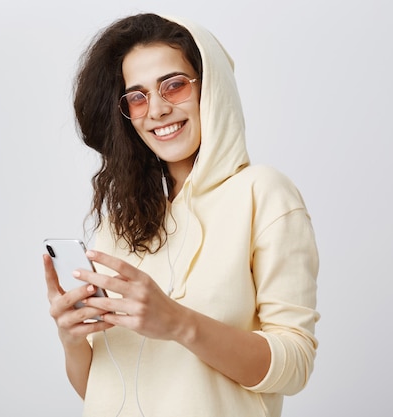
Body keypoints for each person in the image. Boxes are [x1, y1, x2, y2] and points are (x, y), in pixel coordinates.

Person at [43, 12, 319, 417]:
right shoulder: (121, 223)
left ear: (212, 89)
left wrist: (177, 322)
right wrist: (70, 337)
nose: (155, 110)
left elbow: (294, 366)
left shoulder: (263, 193)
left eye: (173, 86)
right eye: (137, 96)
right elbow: (101, 390)